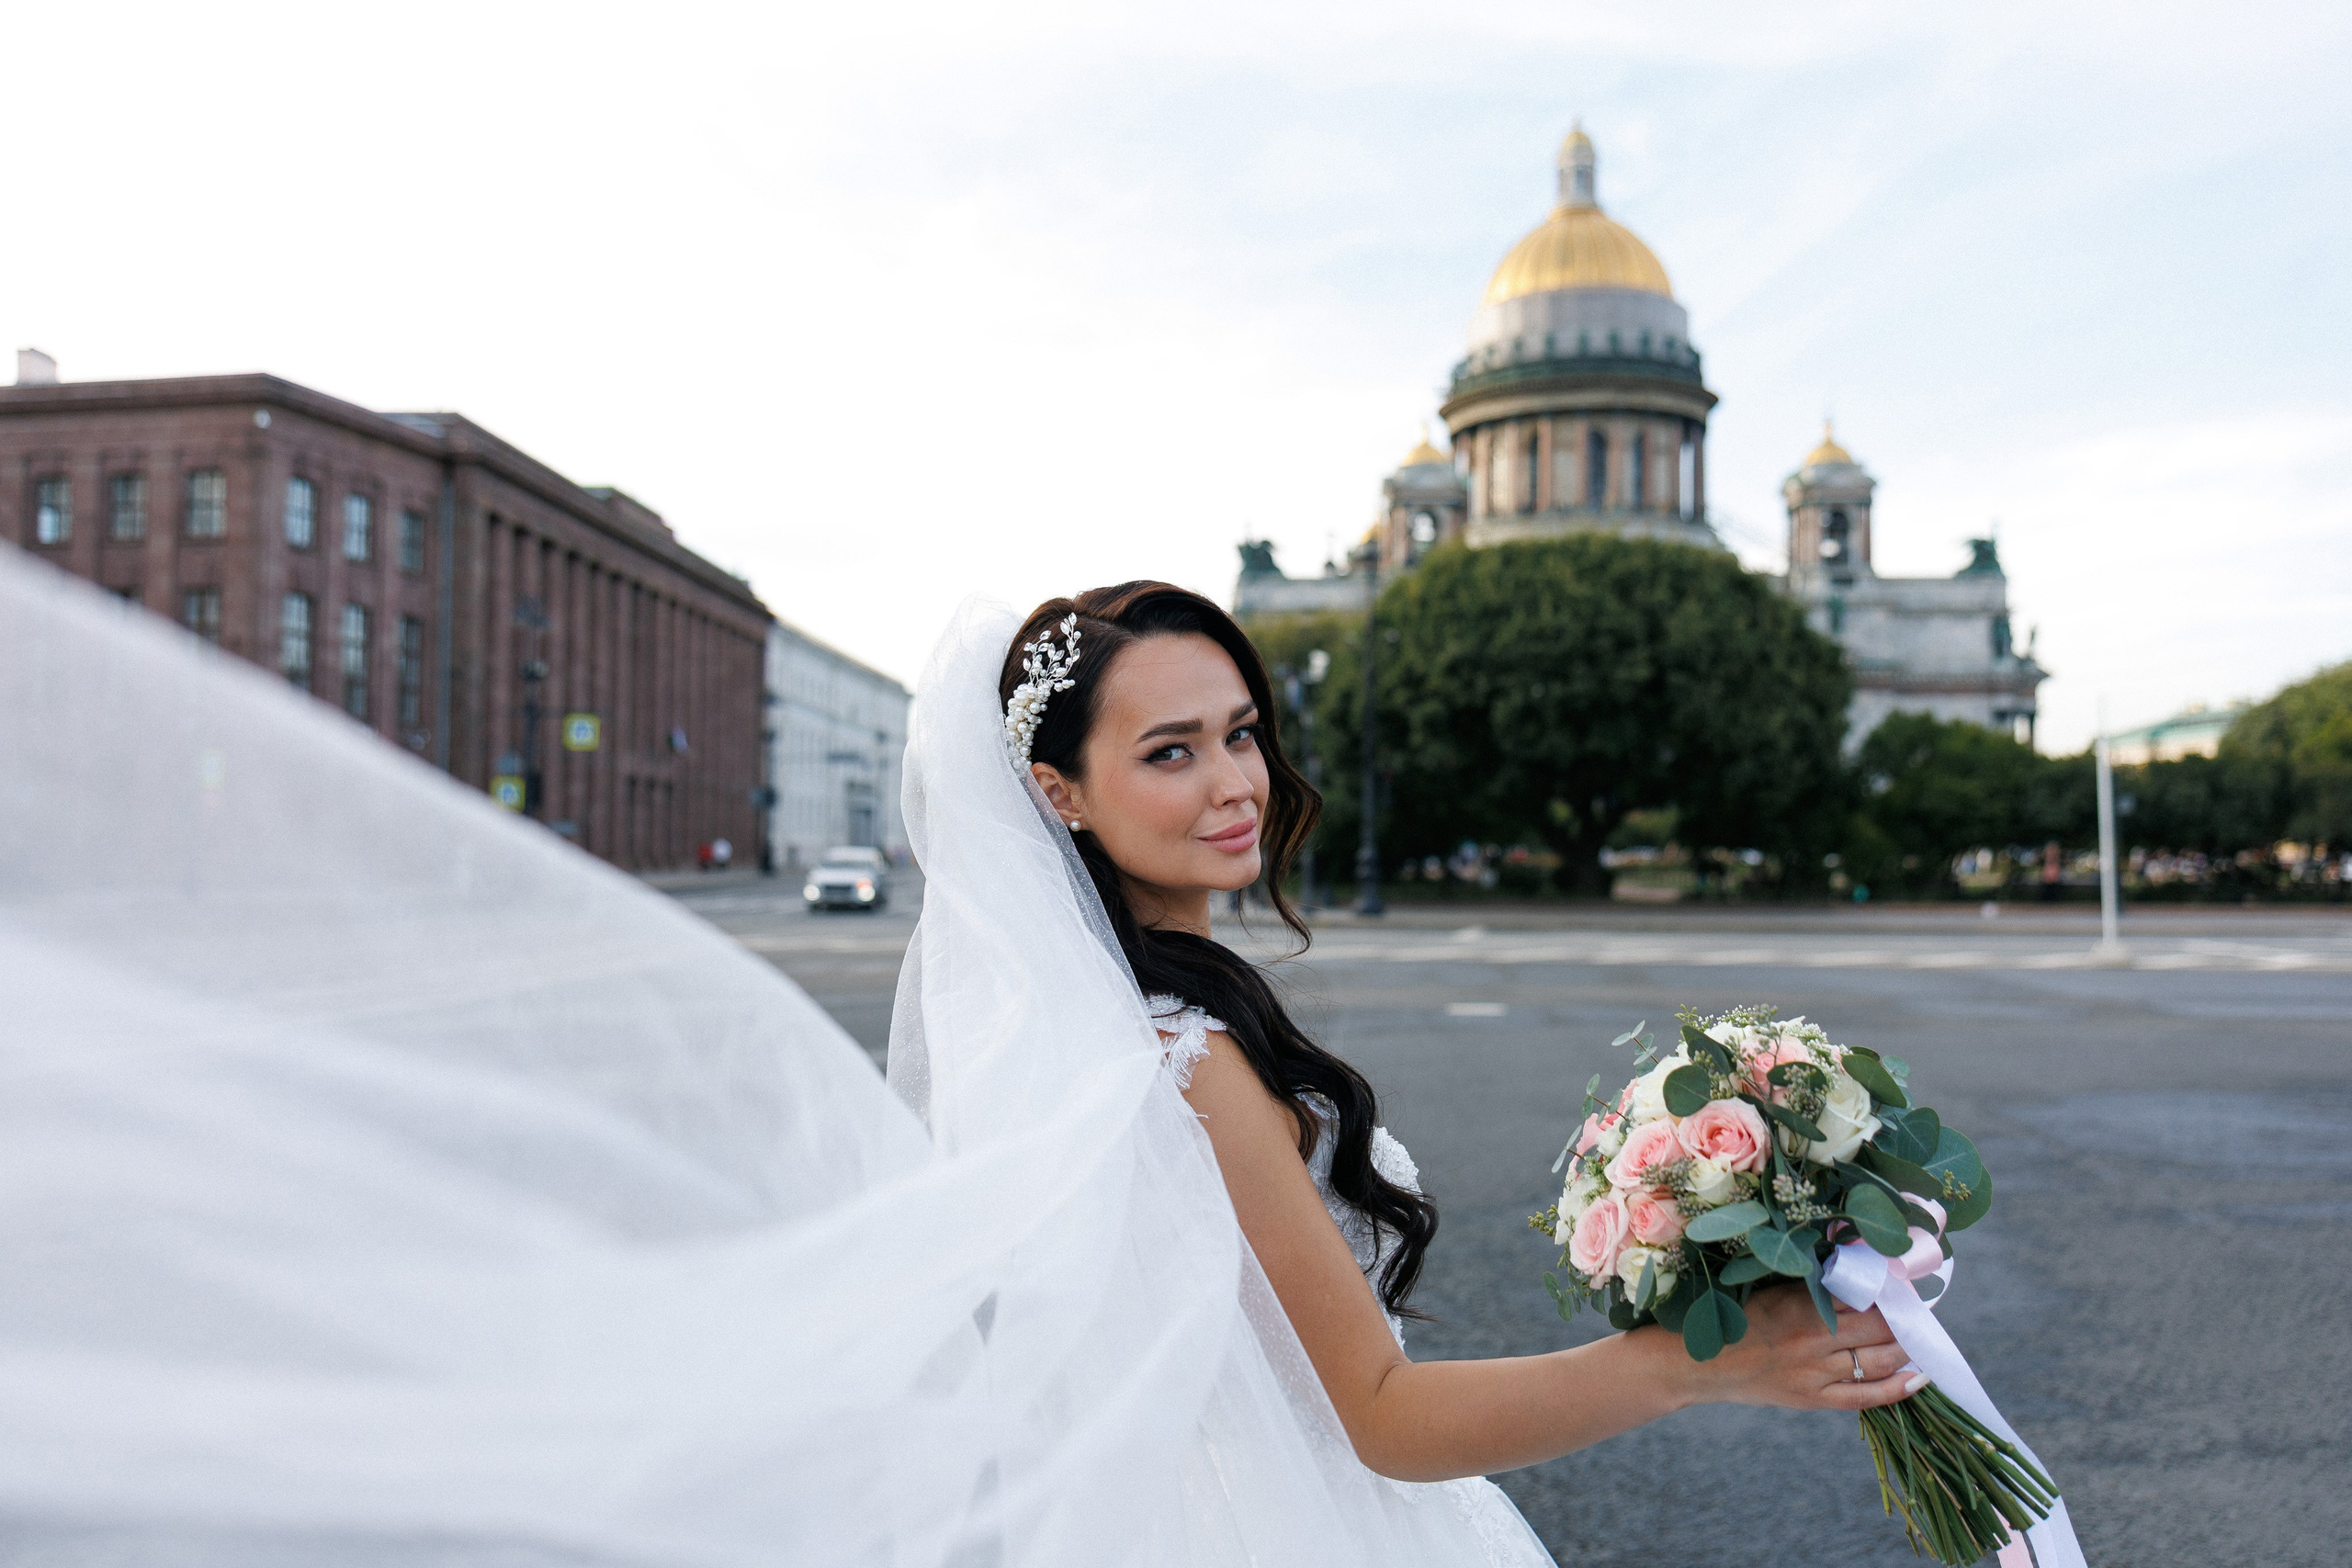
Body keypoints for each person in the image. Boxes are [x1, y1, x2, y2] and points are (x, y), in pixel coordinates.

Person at [943, 582, 1923, 1560]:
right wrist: (1699, 1364)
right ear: (1056, 791)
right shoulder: (1185, 1060)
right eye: (1170, 751)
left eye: (1240, 734)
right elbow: (1382, 1417)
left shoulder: (1136, 1023)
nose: (1235, 783)